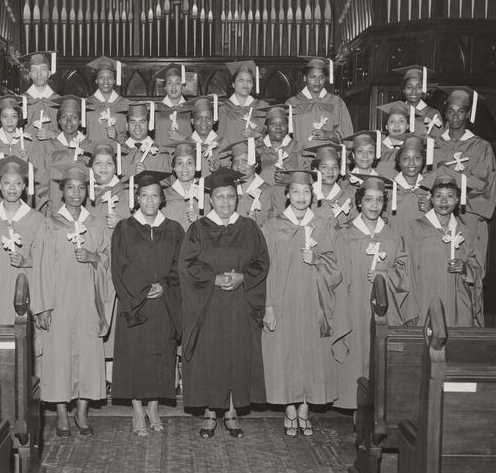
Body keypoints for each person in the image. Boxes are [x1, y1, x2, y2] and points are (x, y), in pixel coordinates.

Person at [179, 167, 270, 439]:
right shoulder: (197, 229)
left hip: (240, 304)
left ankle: (230, 412)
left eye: (230, 197)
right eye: (219, 197)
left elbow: (262, 262)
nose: (225, 202)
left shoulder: (249, 227)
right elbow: (186, 265)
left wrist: (243, 276)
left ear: (237, 198)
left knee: (236, 355)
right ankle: (210, 413)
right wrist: (214, 279)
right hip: (209, 304)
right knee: (211, 356)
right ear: (210, 199)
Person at [30, 162, 114, 438]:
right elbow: (40, 266)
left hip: (89, 301)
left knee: (88, 355)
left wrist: (94, 258)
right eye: (70, 188)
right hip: (60, 301)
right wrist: (42, 305)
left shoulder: (96, 223)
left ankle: (82, 411)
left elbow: (107, 260)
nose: (76, 193)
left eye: (81, 188)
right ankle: (62, 413)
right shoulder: (50, 224)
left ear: (87, 191)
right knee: (59, 356)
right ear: (62, 192)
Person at [261, 170, 341, 437]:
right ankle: (289, 408)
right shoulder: (272, 226)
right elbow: (265, 269)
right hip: (283, 300)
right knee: (287, 353)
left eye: (306, 191)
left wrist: (316, 260)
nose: (301, 197)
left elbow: (335, 268)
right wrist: (268, 306)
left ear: (313, 194)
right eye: (295, 191)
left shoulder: (323, 224)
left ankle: (305, 408)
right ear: (286, 194)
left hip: (312, 301)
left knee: (309, 353)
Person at [330, 175, 414, 412]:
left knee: (377, 350)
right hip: (352, 304)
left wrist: (384, 275)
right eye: (368, 199)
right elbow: (333, 270)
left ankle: (375, 409)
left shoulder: (393, 236)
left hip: (381, 305)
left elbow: (403, 272)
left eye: (379, 200)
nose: (374, 205)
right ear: (359, 202)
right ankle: (353, 405)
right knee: (355, 349)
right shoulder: (343, 234)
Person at [111, 171, 184, 435]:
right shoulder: (124, 228)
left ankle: (154, 408)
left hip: (164, 304)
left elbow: (181, 267)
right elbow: (119, 269)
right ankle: (137, 410)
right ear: (137, 198)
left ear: (162, 198)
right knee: (135, 358)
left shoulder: (174, 229)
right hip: (136, 305)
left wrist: (164, 286)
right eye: (144, 195)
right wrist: (141, 291)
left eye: (155, 195)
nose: (150, 200)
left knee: (160, 357)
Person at [405, 167, 483, 327]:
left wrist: (465, 269)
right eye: (439, 196)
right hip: (424, 302)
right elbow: (408, 270)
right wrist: (411, 309)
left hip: (458, 306)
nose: (444, 201)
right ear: (431, 199)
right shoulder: (417, 228)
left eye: (450, 196)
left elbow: (476, 269)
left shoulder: (465, 231)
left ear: (457, 200)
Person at [433, 87, 496, 277]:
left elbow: (489, 191)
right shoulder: (434, 145)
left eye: (461, 111)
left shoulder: (481, 147)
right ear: (445, 112)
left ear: (468, 114)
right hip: (439, 220)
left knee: (467, 273)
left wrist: (457, 199)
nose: (455, 116)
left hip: (469, 218)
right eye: (451, 111)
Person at [84, 141, 132, 391]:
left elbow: (140, 226)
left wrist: (123, 221)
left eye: (109, 163)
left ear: (117, 166)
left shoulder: (126, 192)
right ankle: (97, 371)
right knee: (95, 312)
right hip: (93, 264)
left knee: (117, 313)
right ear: (90, 167)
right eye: (98, 163)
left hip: (119, 262)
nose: (103, 168)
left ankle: (115, 373)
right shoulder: (84, 193)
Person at [0, 156, 45, 325]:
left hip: (25, 288)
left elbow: (47, 260)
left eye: (17, 183)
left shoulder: (37, 220)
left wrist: (25, 261)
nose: (12, 188)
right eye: (7, 183)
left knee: (21, 341)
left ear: (24, 186)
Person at [42, 95, 92, 214]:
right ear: (58, 121)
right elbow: (42, 183)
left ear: (80, 121)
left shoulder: (89, 147)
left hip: (84, 210)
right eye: (64, 117)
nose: (69, 121)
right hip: (54, 208)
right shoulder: (48, 147)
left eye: (74, 117)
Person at [217, 139, 285, 227]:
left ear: (256, 163)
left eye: (245, 161)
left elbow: (277, 229)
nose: (239, 166)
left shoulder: (270, 193)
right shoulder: (228, 191)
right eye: (235, 162)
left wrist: (256, 227)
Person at [286, 57, 353, 145]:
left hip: (329, 156)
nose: (317, 81)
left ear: (325, 78)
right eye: (312, 77)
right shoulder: (292, 103)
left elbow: (348, 138)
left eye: (321, 77)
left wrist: (329, 135)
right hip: (301, 157)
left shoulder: (336, 102)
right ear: (305, 78)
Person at [386, 134, 432, 234]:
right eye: (406, 158)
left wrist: (431, 211)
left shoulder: (430, 188)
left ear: (423, 161)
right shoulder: (388, 188)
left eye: (417, 158)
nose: (411, 163)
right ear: (399, 162)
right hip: (395, 246)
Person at [304, 142, 355, 230]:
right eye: (324, 167)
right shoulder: (306, 196)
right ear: (315, 169)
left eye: (335, 167)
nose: (330, 171)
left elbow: (354, 225)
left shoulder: (347, 197)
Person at [255, 103, 306, 186]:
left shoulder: (299, 148)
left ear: (288, 126)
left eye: (282, 123)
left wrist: (291, 178)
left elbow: (310, 178)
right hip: (264, 197)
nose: (278, 127)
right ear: (265, 127)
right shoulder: (257, 150)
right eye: (273, 123)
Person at [118, 102, 172, 178]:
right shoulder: (119, 152)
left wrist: (147, 176)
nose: (137, 126)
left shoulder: (161, 153)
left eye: (142, 121)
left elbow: (167, 182)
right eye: (133, 122)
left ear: (149, 124)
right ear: (127, 125)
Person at [218, 60, 267, 142]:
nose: (245, 84)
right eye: (241, 80)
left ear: (253, 85)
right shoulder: (223, 108)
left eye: (249, 81)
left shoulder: (262, 107)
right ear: (233, 84)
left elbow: (269, 139)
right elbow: (220, 137)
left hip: (256, 153)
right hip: (229, 154)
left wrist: (257, 135)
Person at [85, 56, 129, 142]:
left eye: (110, 77)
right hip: (93, 151)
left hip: (118, 152)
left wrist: (117, 136)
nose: (106, 81)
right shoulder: (86, 104)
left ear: (114, 81)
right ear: (96, 80)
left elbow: (129, 137)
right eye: (101, 77)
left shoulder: (125, 104)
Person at [162, 142, 206, 230]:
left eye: (189, 163)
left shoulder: (206, 195)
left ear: (196, 166)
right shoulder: (164, 195)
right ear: (174, 168)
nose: (184, 168)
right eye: (179, 163)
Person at [393, 65, 444, 138]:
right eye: (409, 87)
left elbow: (440, 144)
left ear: (423, 89)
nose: (414, 91)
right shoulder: (395, 112)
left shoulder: (433, 114)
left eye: (419, 87)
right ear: (403, 90)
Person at [20, 50, 60, 138]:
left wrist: (54, 135)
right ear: (30, 74)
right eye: (34, 70)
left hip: (54, 149)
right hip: (27, 150)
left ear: (49, 73)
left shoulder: (59, 101)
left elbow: (69, 134)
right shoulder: (21, 101)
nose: (39, 74)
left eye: (43, 69)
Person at [152, 64, 192, 146]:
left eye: (177, 82)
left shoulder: (191, 109)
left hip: (185, 156)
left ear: (183, 85)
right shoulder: (155, 109)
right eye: (169, 83)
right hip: (161, 157)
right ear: (165, 87)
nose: (173, 87)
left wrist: (183, 139)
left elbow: (199, 140)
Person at [374, 101, 410, 178]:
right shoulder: (376, 148)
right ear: (386, 126)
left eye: (401, 121)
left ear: (407, 126)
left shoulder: (412, 148)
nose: (396, 125)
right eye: (392, 121)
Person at [340, 131, 380, 196]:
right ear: (353, 155)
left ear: (375, 155)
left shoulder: (382, 182)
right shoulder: (344, 185)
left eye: (370, 151)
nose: (365, 156)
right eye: (360, 151)